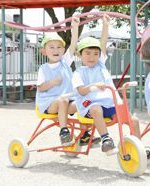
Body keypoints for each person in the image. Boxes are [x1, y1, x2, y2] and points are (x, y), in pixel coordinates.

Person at [72, 15, 150, 159]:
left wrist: (106, 25)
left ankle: (138, 147)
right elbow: (81, 90)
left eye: (95, 53)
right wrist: (94, 86)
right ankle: (106, 139)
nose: (92, 57)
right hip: (90, 106)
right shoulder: (78, 73)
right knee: (96, 108)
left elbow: (103, 42)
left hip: (111, 104)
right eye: (87, 53)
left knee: (133, 120)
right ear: (79, 55)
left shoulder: (101, 65)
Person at [36, 17, 99, 147]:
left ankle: (84, 133)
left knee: (85, 101)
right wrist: (53, 82)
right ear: (44, 51)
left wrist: (74, 28)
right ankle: (64, 131)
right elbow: (41, 87)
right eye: (51, 47)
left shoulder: (65, 62)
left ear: (63, 51)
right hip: (49, 103)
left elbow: (73, 44)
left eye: (59, 47)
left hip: (67, 100)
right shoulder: (43, 69)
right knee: (62, 100)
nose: (56, 50)